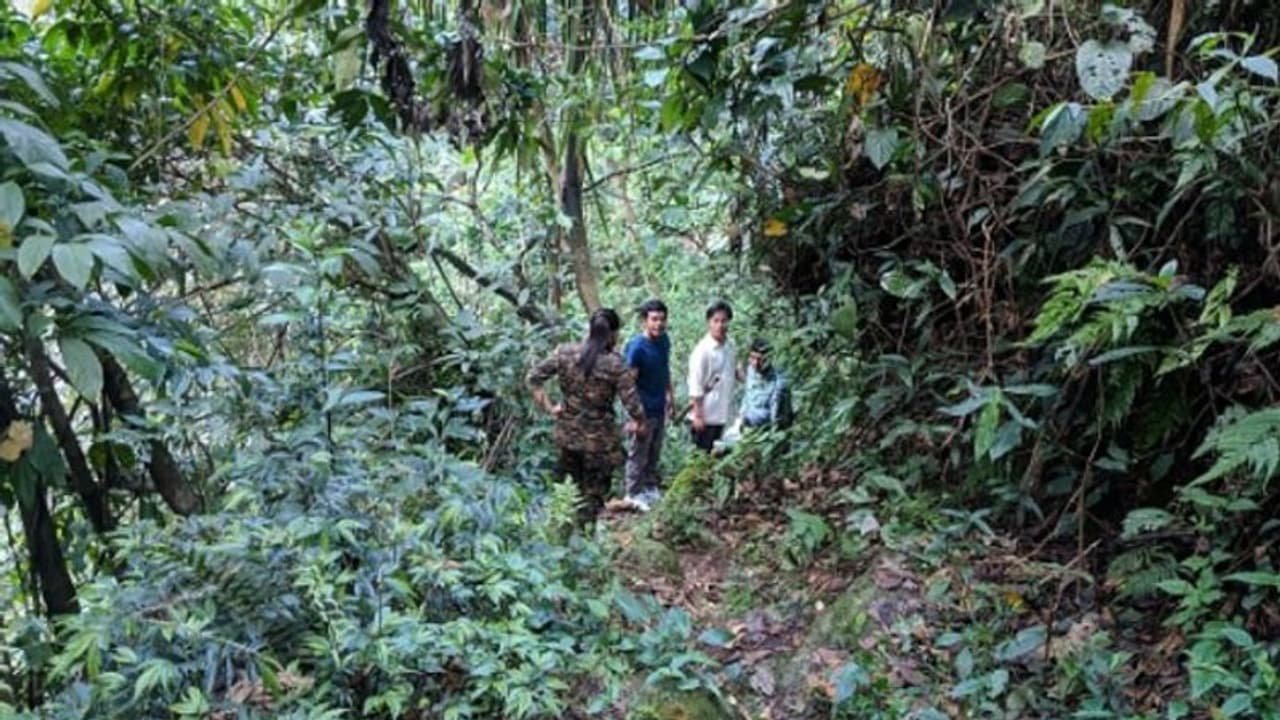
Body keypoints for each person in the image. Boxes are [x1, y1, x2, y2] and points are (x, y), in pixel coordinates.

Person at [527, 308, 647, 528]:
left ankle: (562, 535)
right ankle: (584, 537)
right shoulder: (615, 364)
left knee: (566, 491)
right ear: (613, 333)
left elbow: (534, 377)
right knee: (592, 497)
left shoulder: (564, 353)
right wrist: (641, 423)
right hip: (599, 442)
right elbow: (632, 404)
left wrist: (550, 407)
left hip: (567, 436)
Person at [623, 299, 673, 512]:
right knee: (638, 452)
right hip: (642, 410)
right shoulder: (636, 348)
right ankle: (632, 493)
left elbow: (665, 368)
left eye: (662, 319)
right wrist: (634, 416)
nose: (658, 324)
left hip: (658, 406)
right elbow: (628, 384)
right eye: (654, 319)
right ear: (644, 321)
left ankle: (649, 487)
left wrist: (670, 395)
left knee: (654, 450)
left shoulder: (664, 341)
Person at [687, 300, 737, 452]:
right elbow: (695, 384)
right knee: (702, 457)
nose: (720, 325)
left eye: (724, 321)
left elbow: (734, 369)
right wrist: (698, 416)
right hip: (706, 416)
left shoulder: (730, 345)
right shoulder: (702, 351)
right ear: (709, 322)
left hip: (725, 414)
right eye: (716, 321)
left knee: (721, 456)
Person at [739, 338, 792, 430]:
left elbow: (776, 417)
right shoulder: (750, 370)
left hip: (764, 430)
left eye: (760, 359)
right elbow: (746, 397)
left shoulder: (778, 382)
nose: (755, 363)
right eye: (752, 358)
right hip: (745, 425)